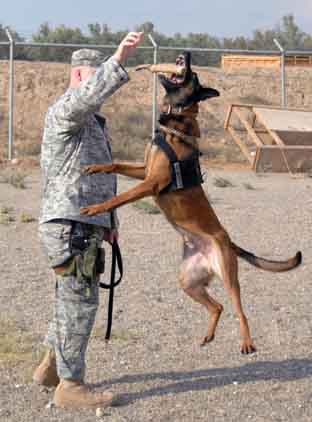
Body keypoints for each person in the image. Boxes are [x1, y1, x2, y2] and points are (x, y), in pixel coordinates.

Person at [33, 32, 144, 409]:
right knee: (80, 301)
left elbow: (96, 176)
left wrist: (110, 222)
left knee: (70, 298)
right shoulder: (67, 109)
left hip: (83, 224)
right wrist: (118, 58)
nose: (101, 87)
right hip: (70, 224)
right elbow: (86, 97)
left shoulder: (91, 124)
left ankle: (51, 367)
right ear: (80, 77)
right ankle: (70, 385)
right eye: (95, 77)